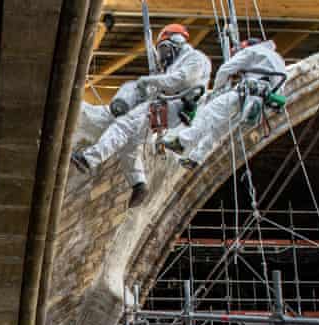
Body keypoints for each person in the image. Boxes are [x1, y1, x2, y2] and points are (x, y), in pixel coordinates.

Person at [71, 23, 211, 207]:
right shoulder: (178, 63)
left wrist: (149, 81)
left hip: (176, 108)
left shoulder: (195, 58)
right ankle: (138, 184)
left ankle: (89, 158)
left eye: (163, 49)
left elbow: (180, 81)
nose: (162, 55)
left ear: (176, 41)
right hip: (170, 107)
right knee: (130, 143)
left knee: (124, 125)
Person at [159, 38, 286, 169]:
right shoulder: (278, 59)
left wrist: (215, 92)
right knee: (221, 129)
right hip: (262, 105)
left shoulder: (252, 50)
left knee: (208, 114)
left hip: (247, 93)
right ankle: (195, 158)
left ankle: (181, 142)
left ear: (247, 44)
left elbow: (225, 70)